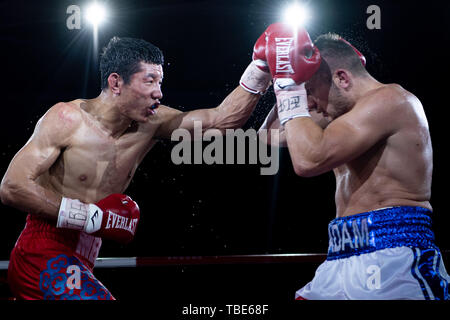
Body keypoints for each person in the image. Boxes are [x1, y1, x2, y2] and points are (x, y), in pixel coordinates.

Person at [0, 33, 273, 300]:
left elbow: (222, 120)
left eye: (161, 81)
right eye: (150, 80)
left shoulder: (151, 124)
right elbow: (12, 187)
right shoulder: (67, 119)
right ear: (116, 83)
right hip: (42, 250)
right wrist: (89, 217)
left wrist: (261, 68)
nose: (159, 91)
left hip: (84, 257)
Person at [259, 23, 450, 299]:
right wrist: (281, 74)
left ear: (342, 78)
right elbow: (269, 135)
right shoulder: (336, 116)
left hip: (394, 258)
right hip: (339, 256)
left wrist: (290, 85)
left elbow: (308, 160)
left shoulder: (392, 100)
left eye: (310, 91)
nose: (309, 103)